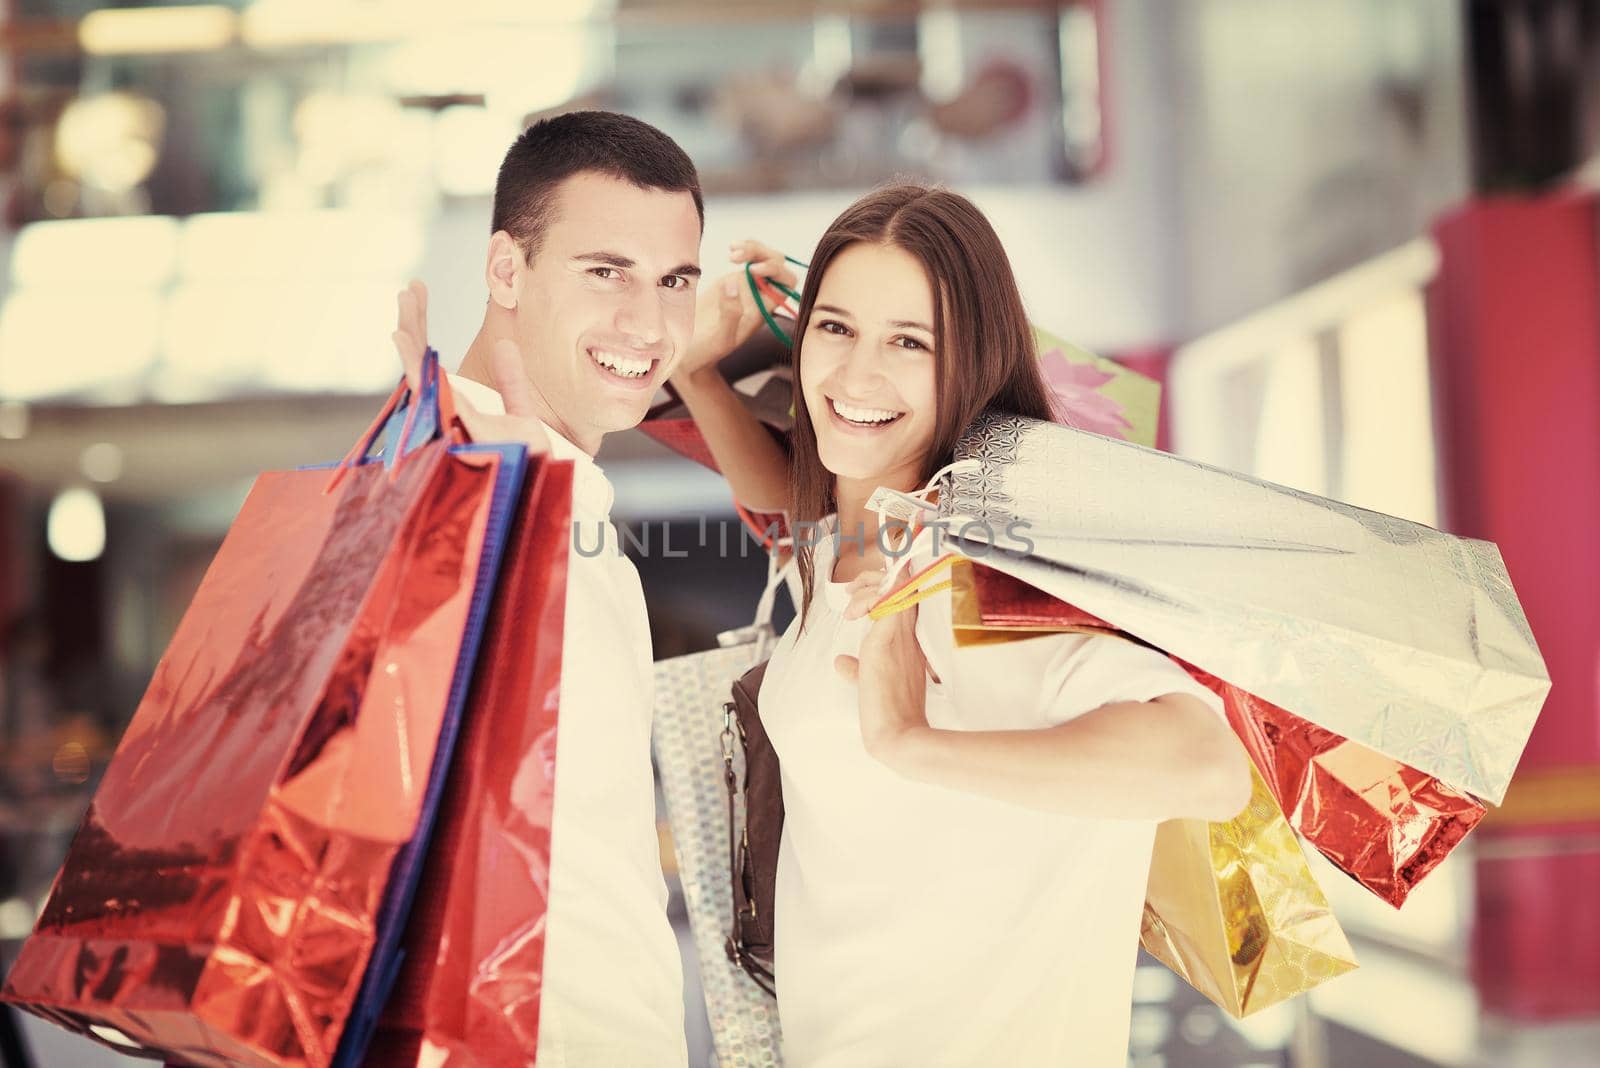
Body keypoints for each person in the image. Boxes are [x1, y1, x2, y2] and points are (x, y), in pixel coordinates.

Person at [672, 184, 1254, 1066]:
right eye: (836, 328)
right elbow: (787, 501)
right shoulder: (847, 554)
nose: (857, 374)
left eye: (910, 342)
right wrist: (694, 373)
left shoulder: (994, 572)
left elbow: (1208, 768)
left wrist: (909, 741)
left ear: (972, 364)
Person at [389, 110, 792, 1067]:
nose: (646, 324)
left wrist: (706, 374)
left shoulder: (538, 487)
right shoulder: (469, 492)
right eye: (605, 273)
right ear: (505, 270)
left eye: (675, 282)